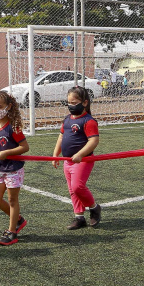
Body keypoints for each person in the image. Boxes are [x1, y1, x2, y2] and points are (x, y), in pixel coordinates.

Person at [0, 91, 30, 246]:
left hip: (13, 168)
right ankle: (18, 220)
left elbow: (24, 147)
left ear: (8, 106)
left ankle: (12, 232)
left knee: (12, 199)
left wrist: (8, 152)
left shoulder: (13, 127)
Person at [52, 86, 102, 230]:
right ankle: (79, 217)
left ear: (85, 103)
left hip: (84, 160)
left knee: (77, 186)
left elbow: (94, 141)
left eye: (74, 103)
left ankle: (94, 207)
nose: (71, 106)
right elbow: (61, 137)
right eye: (69, 103)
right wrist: (55, 154)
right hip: (67, 161)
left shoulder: (88, 121)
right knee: (72, 190)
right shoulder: (67, 119)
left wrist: (80, 154)